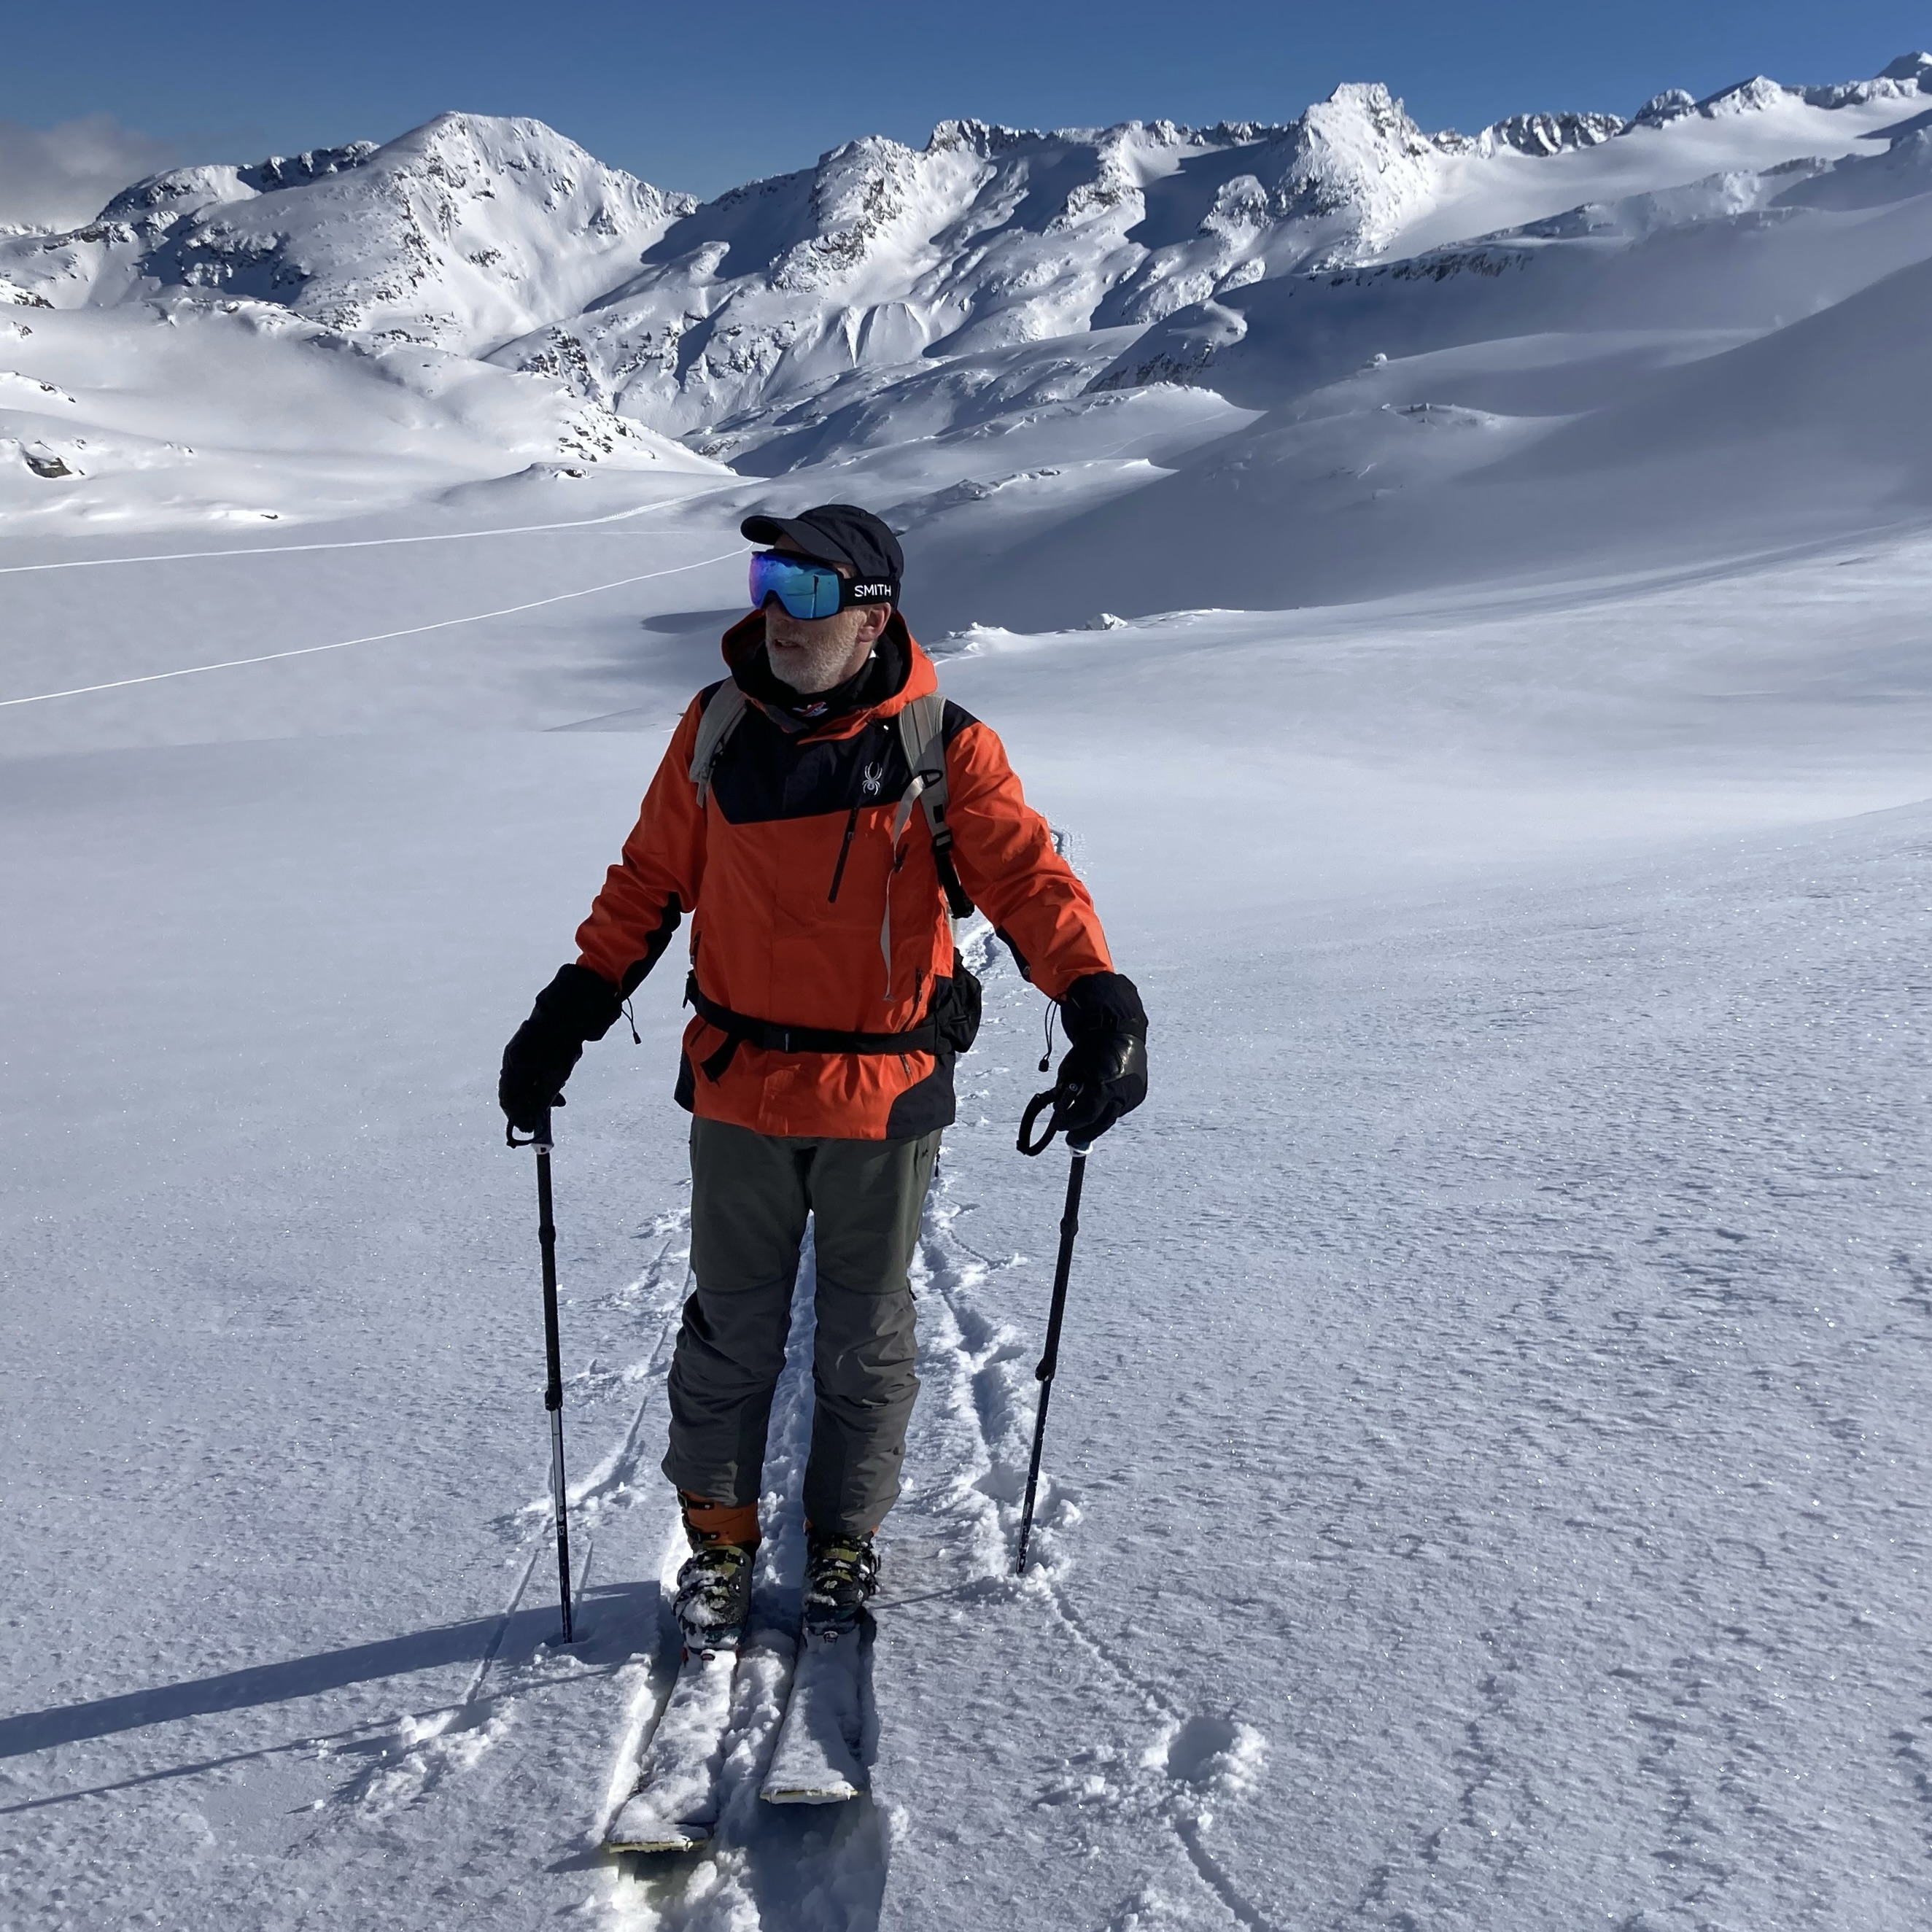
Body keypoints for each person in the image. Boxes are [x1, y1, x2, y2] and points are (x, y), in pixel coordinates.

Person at [499, 503, 1147, 1654]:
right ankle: (720, 1542)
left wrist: (1098, 998)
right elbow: (649, 884)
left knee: (863, 1333)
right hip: (740, 1089)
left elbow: (1026, 879)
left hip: (882, 1097)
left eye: (806, 591)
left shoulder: (942, 744)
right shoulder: (712, 728)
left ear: (872, 614)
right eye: (765, 578)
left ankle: (844, 1538)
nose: (774, 613)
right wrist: (567, 1013)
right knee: (728, 1334)